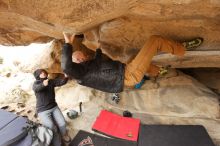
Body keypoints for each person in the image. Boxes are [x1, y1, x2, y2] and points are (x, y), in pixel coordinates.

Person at [61, 33, 203, 93]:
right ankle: (181, 48)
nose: (80, 60)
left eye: (81, 57)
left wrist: (98, 47)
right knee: (155, 41)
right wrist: (68, 44)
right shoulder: (80, 75)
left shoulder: (88, 66)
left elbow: (97, 61)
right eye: (76, 60)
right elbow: (67, 67)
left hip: (126, 72)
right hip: (128, 76)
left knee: (132, 57)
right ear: (74, 64)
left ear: (85, 57)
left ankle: (158, 72)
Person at [32, 69, 70, 146]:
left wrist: (66, 77)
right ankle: (57, 139)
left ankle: (64, 134)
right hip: (42, 110)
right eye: (41, 73)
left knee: (62, 123)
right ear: (37, 76)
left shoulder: (50, 81)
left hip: (53, 107)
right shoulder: (36, 83)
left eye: (44, 72)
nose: (43, 73)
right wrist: (43, 84)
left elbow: (61, 82)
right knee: (50, 126)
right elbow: (37, 88)